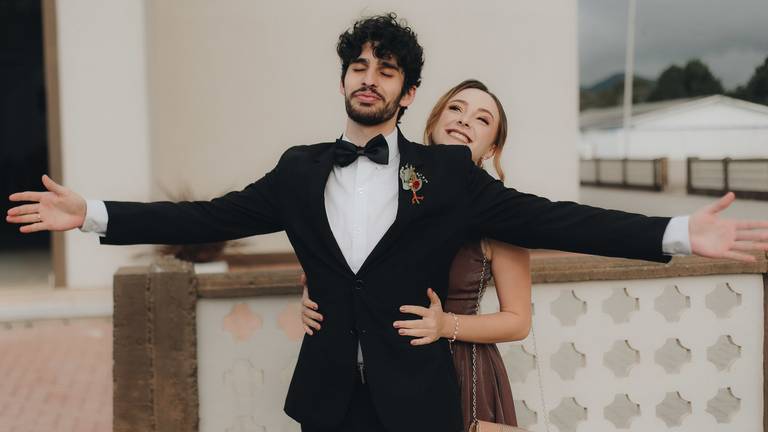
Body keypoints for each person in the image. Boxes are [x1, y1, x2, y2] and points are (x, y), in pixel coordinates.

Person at [6, 13, 768, 432]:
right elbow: (207, 214)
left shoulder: (451, 176)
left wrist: (675, 234)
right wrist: (92, 213)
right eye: (359, 66)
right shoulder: (299, 169)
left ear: (407, 95)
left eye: (387, 69)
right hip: (326, 396)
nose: (369, 78)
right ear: (345, 78)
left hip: (420, 399)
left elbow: (558, 219)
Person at [301, 79, 530, 430]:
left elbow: (518, 320)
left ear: (492, 149)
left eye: (482, 119)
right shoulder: (386, 187)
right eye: (456, 108)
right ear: (434, 120)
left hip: (457, 365)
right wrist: (317, 294)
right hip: (376, 369)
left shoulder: (501, 212)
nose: (465, 120)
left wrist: (446, 325)